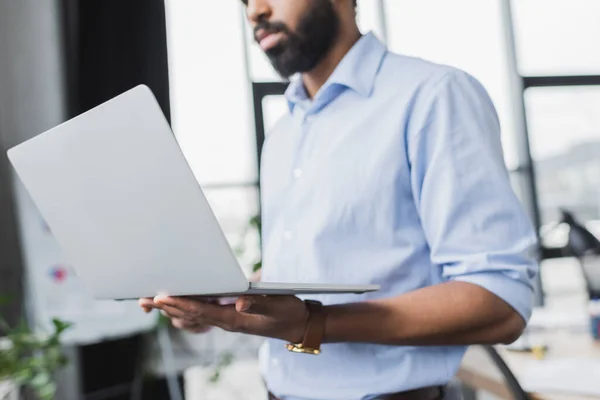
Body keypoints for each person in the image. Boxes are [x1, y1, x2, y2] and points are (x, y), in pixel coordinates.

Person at [139, 0, 539, 399]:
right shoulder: (284, 134)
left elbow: (500, 301)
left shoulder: (433, 96)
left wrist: (313, 323)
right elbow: (318, 264)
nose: (255, 11)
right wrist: (225, 299)